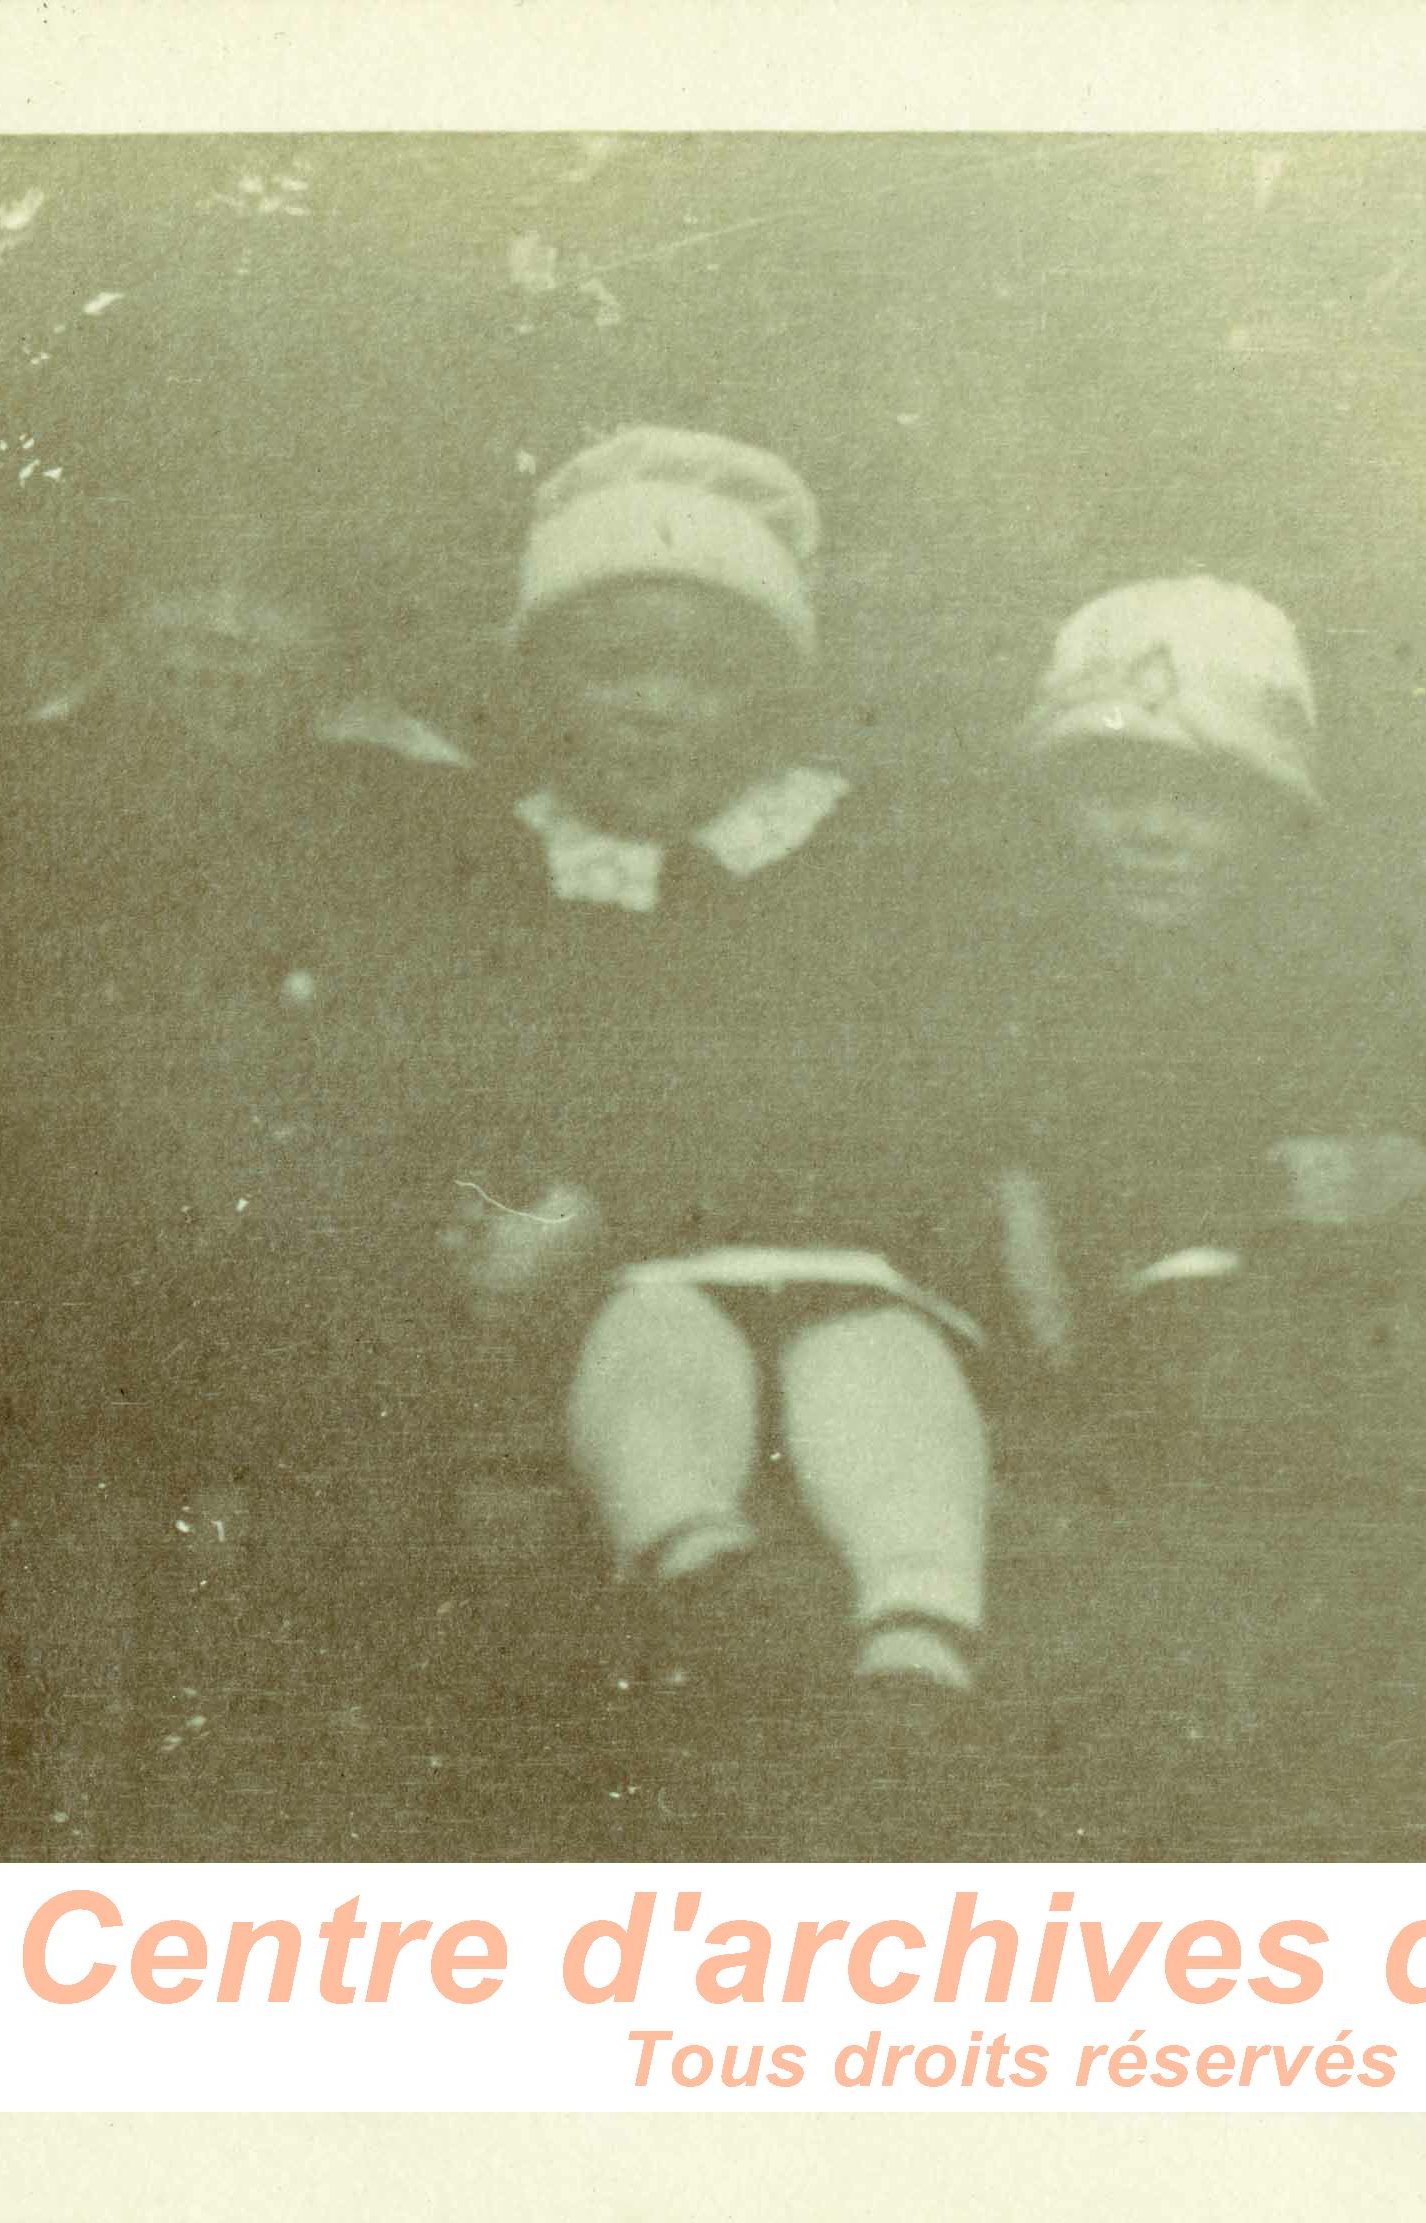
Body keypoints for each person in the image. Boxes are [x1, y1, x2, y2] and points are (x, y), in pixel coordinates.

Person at [437, 425, 1001, 1859]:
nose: (653, 706)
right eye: (611, 666)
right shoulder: (511, 861)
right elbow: (481, 1079)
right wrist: (518, 1205)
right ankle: (700, 1575)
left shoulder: (837, 855)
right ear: (546, 687)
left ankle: (917, 1638)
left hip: (838, 1241)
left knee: (869, 1347)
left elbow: (890, 1089)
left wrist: (627, 1192)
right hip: (614, 1280)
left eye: (700, 671)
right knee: (650, 1338)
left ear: (765, 696)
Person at [0, 527, 477, 1858]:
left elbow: (460, 1047)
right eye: (182, 583)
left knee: (355, 1451)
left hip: (324, 1260)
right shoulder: (12, 791)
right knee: (67, 1458)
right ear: (114, 616)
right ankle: (76, 1829)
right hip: (66, 1260)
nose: (222, 628)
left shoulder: (414, 805)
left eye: (268, 592)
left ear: (330, 637)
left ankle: (313, 1855)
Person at [954, 576, 1426, 1487]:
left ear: (1269, 818)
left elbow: (1363, 1154)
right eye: (1115, 793)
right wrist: (1012, 1186)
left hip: (1244, 1291)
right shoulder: (1015, 962)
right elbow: (990, 1129)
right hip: (1058, 1299)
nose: (1153, 831)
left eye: (1203, 800)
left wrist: (1359, 1166)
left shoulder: (1307, 973)